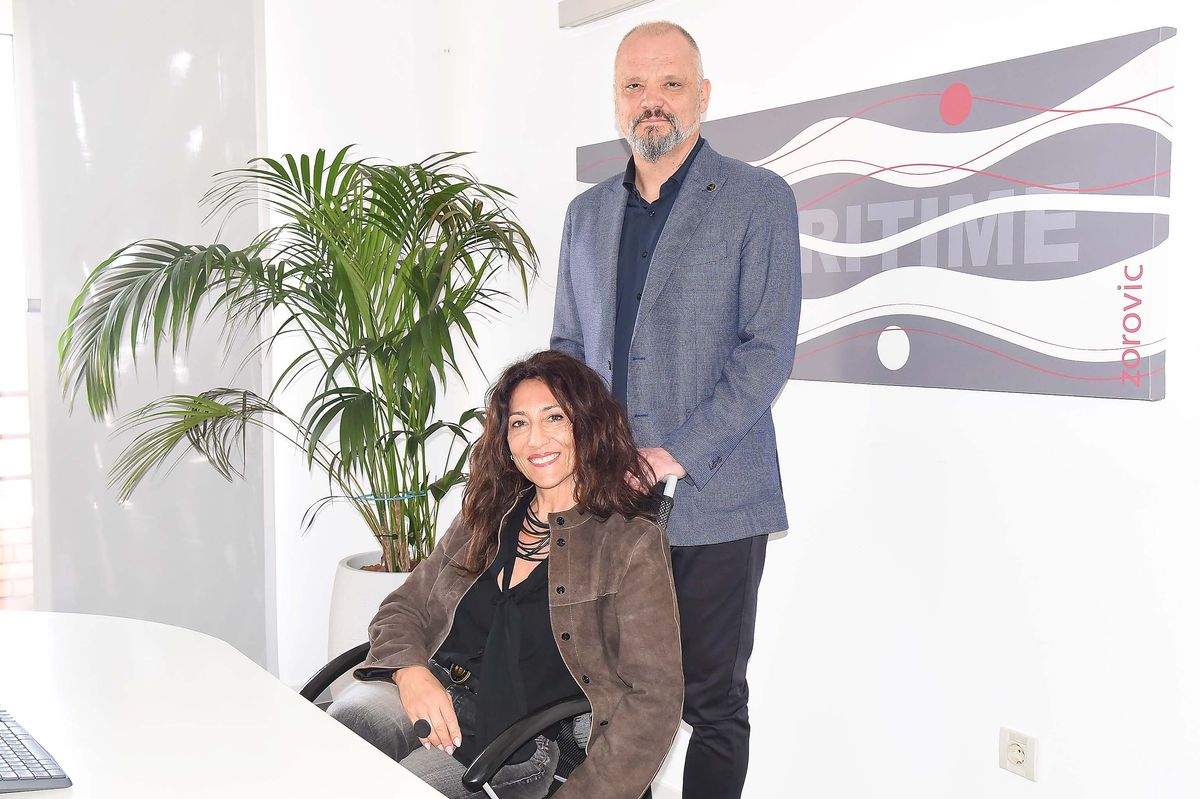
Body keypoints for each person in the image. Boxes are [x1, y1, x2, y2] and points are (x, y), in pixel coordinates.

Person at [550, 20, 802, 799]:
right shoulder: (585, 215)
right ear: (616, 100)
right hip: (606, 507)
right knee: (614, 697)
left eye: (670, 83)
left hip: (714, 498)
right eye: (634, 85)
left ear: (703, 95)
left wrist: (673, 452)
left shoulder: (758, 199)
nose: (651, 100)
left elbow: (766, 349)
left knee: (712, 703)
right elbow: (567, 347)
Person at [328, 349, 684, 799]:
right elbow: (403, 607)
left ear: (587, 426)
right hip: (435, 686)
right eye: (519, 423)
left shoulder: (629, 542)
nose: (535, 439)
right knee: (342, 732)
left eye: (554, 418)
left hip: (516, 739)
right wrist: (410, 673)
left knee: (400, 787)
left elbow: (655, 696)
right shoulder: (486, 514)